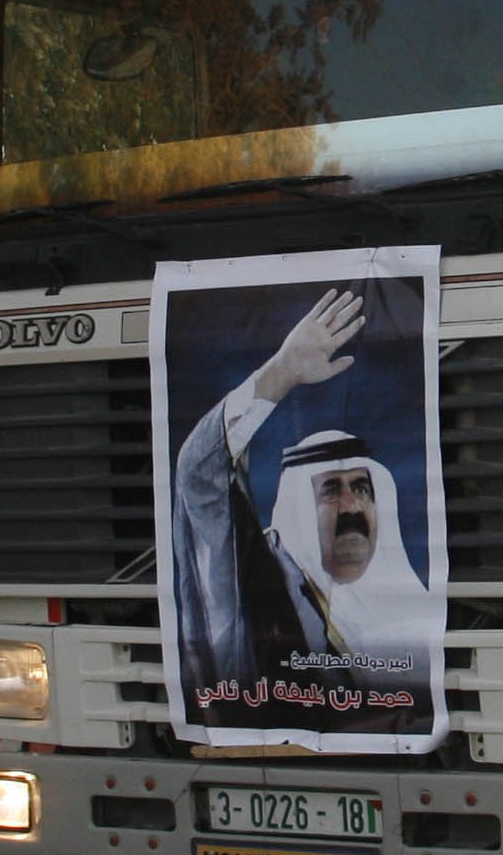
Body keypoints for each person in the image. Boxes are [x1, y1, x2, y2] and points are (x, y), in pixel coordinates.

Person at [164, 290, 436, 734]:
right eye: (330, 490)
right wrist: (282, 373)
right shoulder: (257, 576)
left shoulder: (403, 597)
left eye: (362, 489)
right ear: (295, 505)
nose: (352, 507)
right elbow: (199, 473)